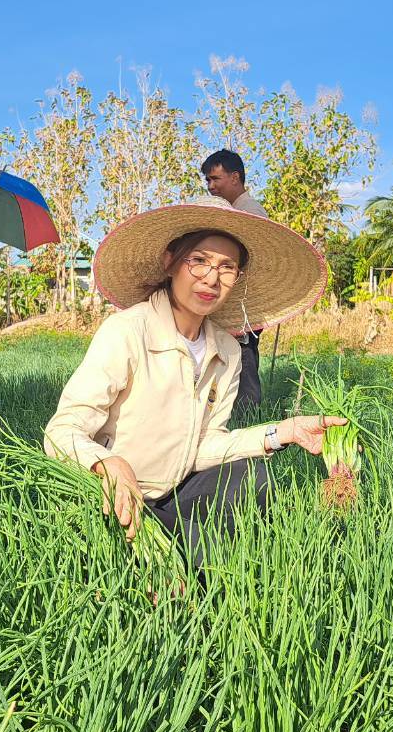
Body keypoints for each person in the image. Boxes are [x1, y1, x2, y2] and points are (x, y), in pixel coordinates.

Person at [43, 195, 343, 565]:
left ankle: (196, 565)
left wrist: (283, 432)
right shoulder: (127, 331)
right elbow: (61, 431)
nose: (211, 278)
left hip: (176, 489)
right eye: (198, 260)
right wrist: (106, 464)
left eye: (227, 267)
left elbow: (204, 446)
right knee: (180, 564)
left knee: (252, 480)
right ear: (170, 261)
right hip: (116, 495)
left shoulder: (227, 352)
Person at [201, 149, 265, 409]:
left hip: (244, 306)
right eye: (207, 181)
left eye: (215, 179)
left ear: (235, 178)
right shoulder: (232, 210)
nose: (211, 186)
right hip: (232, 301)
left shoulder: (250, 212)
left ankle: (248, 419)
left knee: (244, 360)